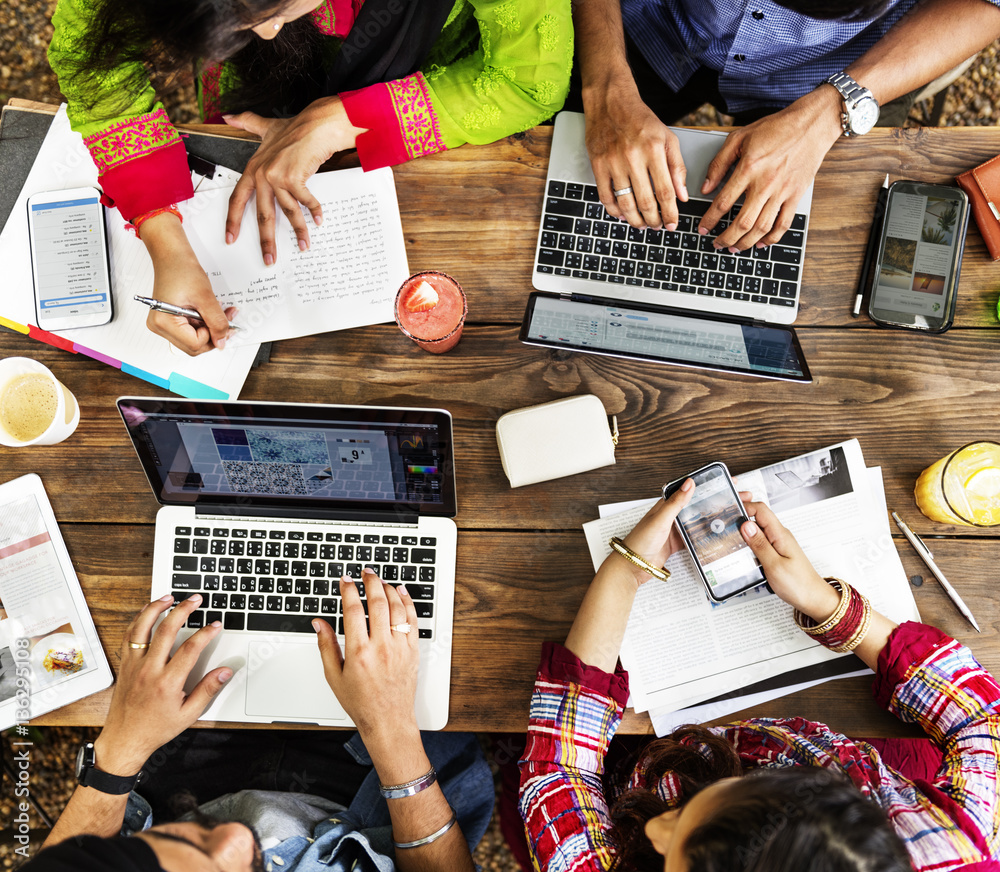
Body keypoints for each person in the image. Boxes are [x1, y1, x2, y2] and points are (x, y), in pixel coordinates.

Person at [519, 480, 1000, 871]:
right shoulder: (953, 847)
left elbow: (556, 770)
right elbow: (986, 715)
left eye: (679, 839)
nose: (654, 830)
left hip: (644, 761)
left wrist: (625, 571)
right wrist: (826, 604)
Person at [47, 0, 572, 355]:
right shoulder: (250, 28)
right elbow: (90, 61)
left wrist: (340, 121)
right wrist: (163, 234)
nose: (270, 30)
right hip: (249, 94)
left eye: (273, 10)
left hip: (424, 81)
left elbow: (526, 83)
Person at [25, 568, 492, 871]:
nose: (233, 836)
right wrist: (390, 728)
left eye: (190, 841)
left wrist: (120, 751)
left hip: (186, 781)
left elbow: (70, 858)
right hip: (376, 798)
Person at [572, 0, 1000, 249]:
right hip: (650, 20)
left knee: (814, 250)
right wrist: (605, 81)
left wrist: (832, 109)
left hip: (838, 66)